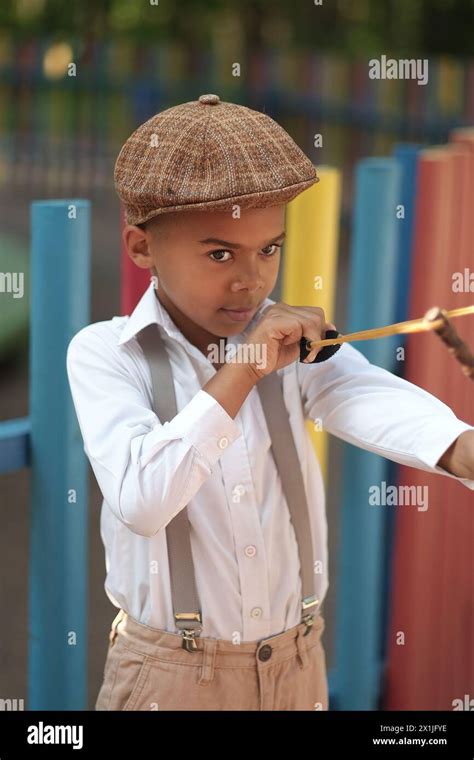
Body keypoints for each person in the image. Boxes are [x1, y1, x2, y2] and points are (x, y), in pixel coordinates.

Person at [66, 93, 474, 711]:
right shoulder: (106, 353)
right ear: (141, 247)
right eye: (219, 253)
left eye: (269, 249)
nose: (250, 280)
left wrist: (460, 449)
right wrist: (244, 369)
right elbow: (143, 500)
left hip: (297, 665)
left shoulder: (291, 347)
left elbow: (360, 393)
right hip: (169, 677)